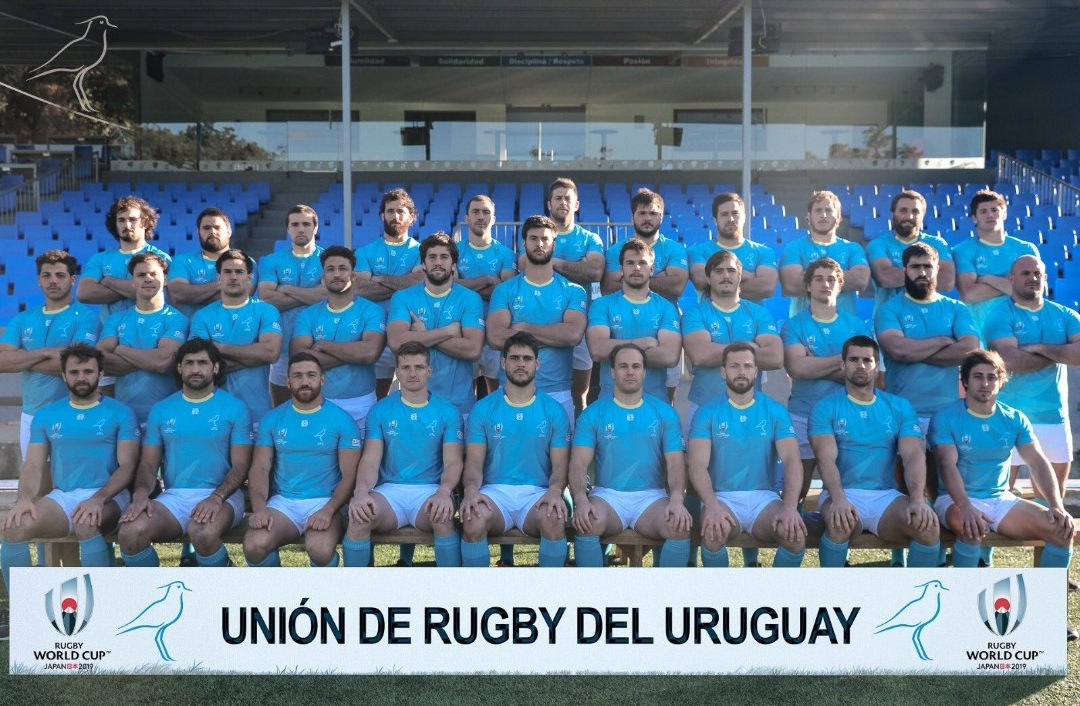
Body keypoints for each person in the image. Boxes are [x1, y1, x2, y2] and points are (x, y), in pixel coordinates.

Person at [929, 349, 1075, 640]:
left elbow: (1037, 462)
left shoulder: (1014, 418)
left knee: (1061, 530)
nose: (985, 383)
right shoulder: (946, 417)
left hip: (999, 499)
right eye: (978, 377)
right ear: (965, 381)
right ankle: (964, 618)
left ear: (1001, 381)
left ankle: (1048, 617)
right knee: (971, 527)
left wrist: (1056, 505)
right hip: (955, 500)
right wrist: (965, 506)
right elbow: (946, 465)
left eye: (991, 377)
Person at [1, 344, 138, 588]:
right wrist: (24, 499)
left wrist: (98, 499)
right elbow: (33, 466)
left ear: (100, 373)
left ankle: (102, 603)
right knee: (14, 527)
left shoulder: (121, 413)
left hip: (109, 496)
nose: (81, 377)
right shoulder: (47, 415)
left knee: (87, 523)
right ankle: (24, 608)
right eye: (74, 372)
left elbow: (127, 466)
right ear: (63, 375)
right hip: (63, 497)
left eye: (88, 371)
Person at [117, 338, 253, 568]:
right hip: (175, 497)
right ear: (179, 368)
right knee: (131, 532)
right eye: (189, 363)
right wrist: (140, 496)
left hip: (223, 496)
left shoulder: (235, 407)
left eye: (202, 362)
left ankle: (224, 581)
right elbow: (148, 464)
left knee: (203, 532)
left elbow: (241, 466)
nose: (195, 369)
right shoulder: (162, 409)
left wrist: (216, 498)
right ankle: (154, 589)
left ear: (215, 367)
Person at [808, 335, 941, 568]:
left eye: (867, 360)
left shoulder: (899, 406)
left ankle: (917, 590)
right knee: (840, 525)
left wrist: (918, 500)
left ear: (876, 366)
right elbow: (825, 457)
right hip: (841, 494)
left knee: (927, 527)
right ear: (842, 364)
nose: (860, 365)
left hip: (885, 497)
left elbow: (913, 456)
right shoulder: (825, 407)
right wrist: (838, 499)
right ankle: (830, 588)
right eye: (853, 360)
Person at [569, 343, 691, 568]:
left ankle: (668, 591)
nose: (630, 371)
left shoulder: (665, 412)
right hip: (608, 496)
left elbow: (675, 463)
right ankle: (589, 591)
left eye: (636, 366)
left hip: (651, 498)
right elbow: (578, 463)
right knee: (587, 522)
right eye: (623, 366)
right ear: (612, 372)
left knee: (678, 526)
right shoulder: (593, 412)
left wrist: (676, 498)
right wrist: (581, 500)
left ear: (644, 372)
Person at [343, 342, 464, 568]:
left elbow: (453, 462)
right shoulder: (380, 410)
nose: (412, 373)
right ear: (397, 372)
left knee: (443, 519)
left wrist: (444, 492)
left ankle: (451, 588)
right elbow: (370, 461)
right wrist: (361, 492)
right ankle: (354, 588)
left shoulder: (448, 412)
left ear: (429, 371)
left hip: (430, 490)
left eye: (419, 367)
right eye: (406, 368)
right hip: (390, 492)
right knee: (359, 518)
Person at [686, 342, 806, 568]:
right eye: (734, 366)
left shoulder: (775, 410)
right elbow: (697, 465)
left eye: (747, 366)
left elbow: (792, 461)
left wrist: (789, 507)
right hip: (722, 498)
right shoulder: (707, 412)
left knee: (794, 535)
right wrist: (711, 504)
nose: (741, 371)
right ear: (723, 372)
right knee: (713, 533)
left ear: (756, 371)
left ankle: (778, 591)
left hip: (764, 499)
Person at [459, 332, 572, 567]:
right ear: (503, 362)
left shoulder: (554, 411)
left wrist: (554, 491)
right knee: (472, 519)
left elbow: (560, 466)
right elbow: (474, 464)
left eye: (527, 358)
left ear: (537, 364)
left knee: (554, 519)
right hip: (494, 493)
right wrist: (470, 490)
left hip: (537, 494)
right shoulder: (483, 409)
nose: (521, 364)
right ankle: (474, 589)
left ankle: (552, 590)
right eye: (514, 358)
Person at [242, 352, 361, 568]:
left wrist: (328, 510)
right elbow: (260, 469)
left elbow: (350, 475)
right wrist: (259, 509)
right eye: (297, 376)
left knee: (320, 548)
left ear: (322, 380)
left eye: (311, 375)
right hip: (284, 503)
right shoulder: (273, 419)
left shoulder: (342, 420)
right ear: (287, 381)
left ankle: (324, 589)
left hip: (326, 501)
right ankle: (275, 588)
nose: (304, 381)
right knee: (254, 545)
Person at [985, 255, 1080, 501]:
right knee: (997, 498)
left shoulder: (1065, 314)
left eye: (1037, 273)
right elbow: (1011, 361)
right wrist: (1060, 353)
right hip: (1009, 416)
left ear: (1046, 278)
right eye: (1025, 273)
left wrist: (1038, 348)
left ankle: (1047, 528)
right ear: (1011, 279)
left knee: (1051, 502)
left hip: (1053, 416)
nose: (1033, 278)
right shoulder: (999, 315)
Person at [781, 257, 871, 498]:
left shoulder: (857, 326)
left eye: (831, 279)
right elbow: (798, 369)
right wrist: (844, 360)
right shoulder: (793, 326)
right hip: (803, 414)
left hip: (845, 414)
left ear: (840, 286)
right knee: (796, 489)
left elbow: (863, 376)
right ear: (808, 285)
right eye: (819, 279)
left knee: (843, 489)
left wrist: (816, 362)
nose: (826, 284)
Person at [0, 249, 100, 460]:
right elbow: (2, 362)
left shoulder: (87, 318)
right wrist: (45, 352)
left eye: (60, 275)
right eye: (46, 275)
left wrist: (23, 357)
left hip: (72, 412)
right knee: (35, 476)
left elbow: (75, 367)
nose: (53, 280)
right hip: (31, 414)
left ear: (73, 280)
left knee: (69, 476)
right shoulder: (23, 318)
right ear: (39, 280)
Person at [487, 215, 588, 422]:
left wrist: (522, 328)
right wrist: (553, 334)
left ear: (554, 244)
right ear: (524, 244)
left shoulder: (573, 291)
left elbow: (572, 335)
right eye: (533, 238)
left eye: (545, 239)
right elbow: (496, 338)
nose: (540, 244)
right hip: (510, 391)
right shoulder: (505, 290)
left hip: (558, 393)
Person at [525, 178, 605, 414]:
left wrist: (552, 262)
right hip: (542, 321)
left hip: (578, 323)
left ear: (576, 204)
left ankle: (578, 434)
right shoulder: (539, 236)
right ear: (549, 204)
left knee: (579, 394)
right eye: (558, 198)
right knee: (538, 390)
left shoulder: (590, 238)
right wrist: (577, 266)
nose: (563, 202)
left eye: (568, 198)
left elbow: (595, 271)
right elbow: (525, 265)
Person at [601, 188, 689, 402]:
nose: (647, 218)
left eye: (653, 213)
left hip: (665, 324)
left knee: (667, 393)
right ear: (632, 216)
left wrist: (633, 279)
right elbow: (609, 287)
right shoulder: (615, 250)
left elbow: (677, 286)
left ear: (661, 217)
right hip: (622, 321)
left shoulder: (675, 249)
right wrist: (661, 277)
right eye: (642, 213)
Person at [682, 249, 782, 432]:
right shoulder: (694, 314)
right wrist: (750, 348)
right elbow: (700, 355)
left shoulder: (759, 313)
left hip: (751, 411)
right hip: (705, 408)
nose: (726, 276)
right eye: (719, 271)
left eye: (731, 270)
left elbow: (775, 357)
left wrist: (716, 350)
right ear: (708, 278)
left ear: (740, 276)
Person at [387, 232, 485, 416]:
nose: (438, 262)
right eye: (432, 257)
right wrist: (448, 331)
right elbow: (396, 343)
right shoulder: (403, 297)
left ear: (453, 264)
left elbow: (473, 349)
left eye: (444, 257)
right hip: (415, 405)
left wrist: (422, 334)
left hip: (459, 405)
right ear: (423, 263)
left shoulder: (470, 299)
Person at [291, 245, 386, 432]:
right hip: (319, 403)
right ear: (323, 276)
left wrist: (324, 345)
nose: (336, 274)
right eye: (330, 269)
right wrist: (354, 352)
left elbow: (369, 353)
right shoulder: (307, 315)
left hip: (361, 404)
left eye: (343, 269)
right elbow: (299, 361)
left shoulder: (373, 311)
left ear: (353, 275)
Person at [189, 248, 282, 424]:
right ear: (219, 277)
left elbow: (270, 353)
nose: (233, 277)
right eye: (227, 272)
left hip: (257, 413)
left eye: (239, 272)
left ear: (249, 278)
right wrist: (253, 357)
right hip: (213, 414)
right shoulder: (202, 316)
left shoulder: (267, 311)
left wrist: (219, 348)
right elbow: (199, 365)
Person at [98, 252, 189, 426]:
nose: (148, 278)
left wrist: (121, 350)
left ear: (166, 279)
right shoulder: (116, 319)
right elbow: (101, 362)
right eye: (141, 275)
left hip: (167, 419)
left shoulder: (178, 320)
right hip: (125, 419)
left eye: (154, 274)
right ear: (133, 281)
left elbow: (163, 362)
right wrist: (150, 358)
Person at [586, 238, 681, 402]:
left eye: (642, 263)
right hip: (610, 403)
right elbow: (597, 350)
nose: (636, 268)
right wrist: (644, 343)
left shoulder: (666, 307)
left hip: (654, 403)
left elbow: (669, 357)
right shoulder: (602, 305)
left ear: (652, 269)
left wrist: (615, 350)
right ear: (621, 269)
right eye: (630, 263)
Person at [352, 188, 424, 398]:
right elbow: (361, 289)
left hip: (411, 333)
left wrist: (380, 278)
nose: (395, 216)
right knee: (377, 398)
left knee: (413, 398)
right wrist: (404, 281)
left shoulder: (422, 252)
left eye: (401, 211)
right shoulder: (365, 252)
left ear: (412, 217)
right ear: (382, 216)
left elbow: (419, 284)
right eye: (390, 211)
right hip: (374, 333)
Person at [257, 204, 326, 407]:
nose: (301, 229)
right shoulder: (271, 261)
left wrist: (287, 289)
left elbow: (328, 296)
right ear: (288, 229)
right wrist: (312, 294)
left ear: (316, 227)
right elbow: (267, 298)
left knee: (318, 406)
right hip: (283, 345)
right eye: (295, 225)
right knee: (281, 408)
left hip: (320, 344)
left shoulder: (327, 260)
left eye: (306, 224)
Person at [953, 189, 1039, 335]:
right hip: (982, 331)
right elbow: (969, 294)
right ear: (974, 218)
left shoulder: (1026, 249)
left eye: (994, 210)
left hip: (1023, 328)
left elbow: (1035, 292)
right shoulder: (962, 250)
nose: (990, 215)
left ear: (1004, 214)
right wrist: (1016, 286)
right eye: (983, 211)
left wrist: (988, 279)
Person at [454, 194, 517, 393]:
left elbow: (505, 294)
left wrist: (466, 287)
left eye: (486, 212)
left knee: (497, 393)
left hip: (495, 333)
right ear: (466, 218)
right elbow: (450, 288)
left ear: (494, 218)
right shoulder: (454, 251)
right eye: (475, 211)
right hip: (463, 330)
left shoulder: (506, 253)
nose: (481, 216)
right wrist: (488, 279)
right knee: (465, 392)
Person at [76, 195, 171, 325]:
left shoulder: (160, 258)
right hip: (109, 332)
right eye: (121, 220)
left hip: (150, 329)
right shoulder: (100, 259)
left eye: (133, 219)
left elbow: (158, 293)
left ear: (145, 222)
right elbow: (84, 293)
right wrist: (136, 290)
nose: (127, 225)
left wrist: (109, 281)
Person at [779, 190, 870, 317]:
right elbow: (792, 285)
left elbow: (860, 280)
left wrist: (809, 275)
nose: (823, 215)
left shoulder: (852, 248)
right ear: (809, 216)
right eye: (818, 210)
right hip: (804, 324)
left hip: (844, 325)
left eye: (828, 210)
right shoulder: (794, 248)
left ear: (838, 216)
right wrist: (841, 277)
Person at [866, 190, 955, 312]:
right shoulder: (878, 244)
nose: (909, 216)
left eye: (915, 211)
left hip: (929, 316)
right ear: (892, 214)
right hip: (889, 318)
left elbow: (947, 281)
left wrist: (902, 273)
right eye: (903, 210)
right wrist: (927, 274)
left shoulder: (937, 243)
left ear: (923, 215)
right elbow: (885, 278)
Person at [687, 192, 778, 304]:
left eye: (735, 213)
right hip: (710, 315)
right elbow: (701, 281)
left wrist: (718, 281)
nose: (730, 218)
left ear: (744, 217)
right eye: (724, 214)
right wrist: (748, 275)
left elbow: (767, 287)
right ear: (715, 220)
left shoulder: (763, 252)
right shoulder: (698, 251)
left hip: (751, 315)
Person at [169, 207, 253, 320]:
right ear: (198, 232)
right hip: (193, 329)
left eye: (218, 227)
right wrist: (223, 285)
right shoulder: (182, 261)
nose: (212, 231)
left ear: (229, 231)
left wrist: (194, 295)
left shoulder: (245, 262)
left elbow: (240, 296)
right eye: (206, 228)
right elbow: (178, 295)